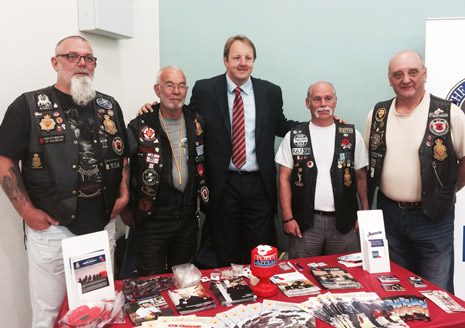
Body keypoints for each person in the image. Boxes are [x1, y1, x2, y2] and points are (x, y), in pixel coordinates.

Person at [0, 35, 129, 327]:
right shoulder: (28, 106)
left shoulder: (109, 106)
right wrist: (26, 212)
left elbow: (123, 153)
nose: (82, 63)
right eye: (73, 56)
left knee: (98, 310)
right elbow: (4, 158)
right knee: (48, 314)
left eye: (88, 58)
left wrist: (123, 190)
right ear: (55, 62)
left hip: (100, 229)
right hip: (54, 233)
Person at [139, 35, 298, 267]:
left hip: (259, 185)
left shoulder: (270, 92)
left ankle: (261, 296)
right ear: (225, 60)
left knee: (261, 250)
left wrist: (318, 124)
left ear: (254, 61)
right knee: (225, 251)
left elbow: (281, 125)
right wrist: (154, 109)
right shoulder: (205, 89)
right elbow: (186, 116)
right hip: (223, 184)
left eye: (248, 58)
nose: (242, 63)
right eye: (236, 57)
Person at [365, 50, 465, 293]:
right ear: (390, 79)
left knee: (436, 290)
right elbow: (369, 158)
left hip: (433, 217)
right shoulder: (378, 114)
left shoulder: (449, 112)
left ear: (425, 74)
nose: (406, 79)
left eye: (413, 72)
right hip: (389, 215)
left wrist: (446, 190)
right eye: (398, 74)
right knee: (396, 291)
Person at [126, 66, 208, 276]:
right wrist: (125, 209)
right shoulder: (142, 124)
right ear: (157, 90)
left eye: (181, 86)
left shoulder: (196, 121)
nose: (176, 91)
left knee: (184, 281)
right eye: (169, 85)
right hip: (153, 219)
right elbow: (123, 166)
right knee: (151, 281)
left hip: (187, 217)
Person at [275, 81, 369, 258]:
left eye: (328, 98)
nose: (323, 104)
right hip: (305, 224)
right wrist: (288, 218)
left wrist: (364, 213)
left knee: (346, 278)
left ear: (335, 101)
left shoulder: (351, 135)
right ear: (308, 103)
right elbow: (283, 178)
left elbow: (361, 177)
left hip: (344, 223)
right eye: (317, 99)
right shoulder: (294, 136)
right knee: (302, 279)